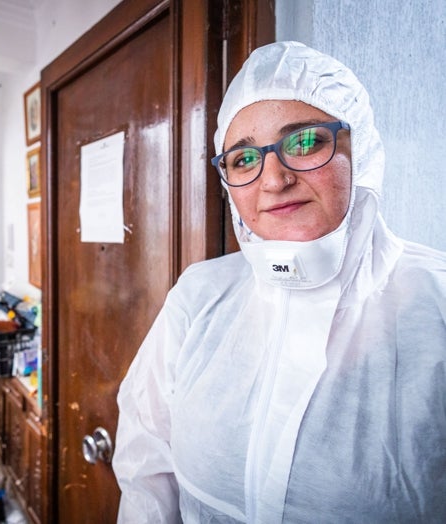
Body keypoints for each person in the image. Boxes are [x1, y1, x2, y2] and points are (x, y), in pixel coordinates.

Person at [112, 41, 446, 523]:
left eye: (306, 142)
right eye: (244, 159)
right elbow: (147, 465)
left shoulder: (435, 308)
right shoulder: (200, 296)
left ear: (362, 151)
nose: (273, 179)